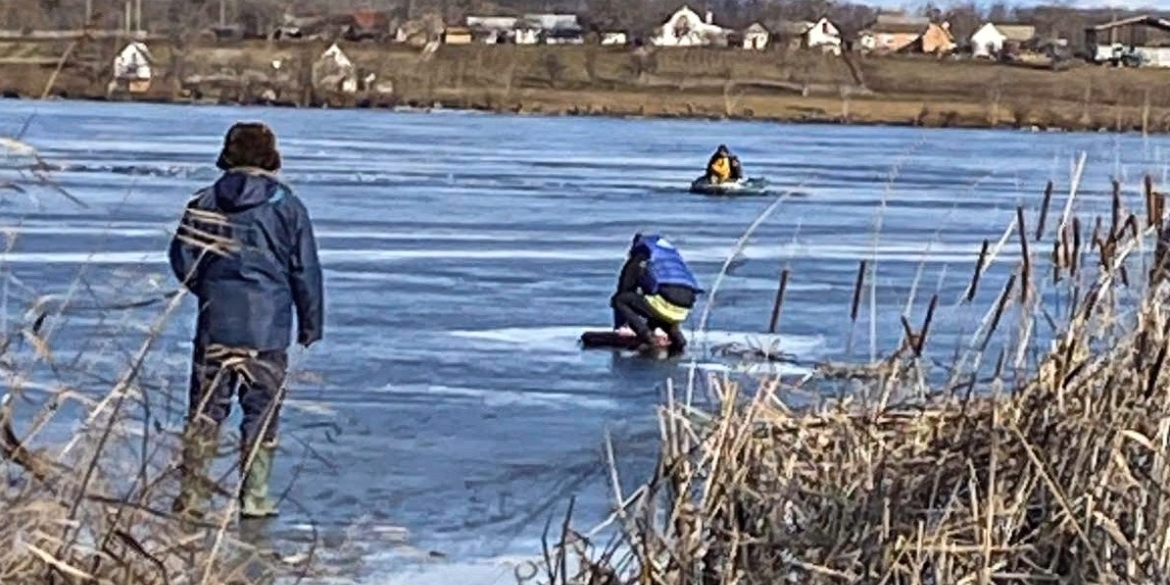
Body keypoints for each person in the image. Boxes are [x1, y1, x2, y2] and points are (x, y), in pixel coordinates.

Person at [167, 122, 324, 520]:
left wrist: (207, 290)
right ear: (271, 155)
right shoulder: (287, 205)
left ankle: (194, 497)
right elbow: (304, 268)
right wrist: (310, 323)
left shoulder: (204, 202)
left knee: (205, 408)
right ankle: (254, 497)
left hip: (216, 321)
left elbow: (182, 257)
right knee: (262, 409)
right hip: (267, 327)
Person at [611, 233, 703, 356]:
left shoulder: (641, 255)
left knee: (620, 300)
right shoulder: (671, 255)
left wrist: (620, 328)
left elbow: (624, 288)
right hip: (685, 306)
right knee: (657, 307)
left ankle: (649, 337)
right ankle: (678, 340)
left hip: (666, 301)